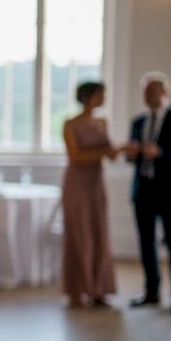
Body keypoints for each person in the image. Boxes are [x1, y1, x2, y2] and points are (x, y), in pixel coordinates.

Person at [61, 82, 119, 308]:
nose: (103, 98)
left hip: (96, 184)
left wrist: (124, 149)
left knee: (98, 232)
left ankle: (98, 289)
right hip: (76, 184)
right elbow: (75, 156)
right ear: (88, 97)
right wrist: (105, 152)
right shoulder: (70, 124)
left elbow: (111, 153)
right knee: (79, 233)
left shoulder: (102, 123)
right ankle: (77, 288)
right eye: (100, 95)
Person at [122, 71, 171, 309]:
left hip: (170, 191)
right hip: (143, 189)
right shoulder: (138, 122)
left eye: (152, 92)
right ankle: (151, 292)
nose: (147, 96)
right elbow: (130, 156)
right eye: (145, 92)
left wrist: (161, 153)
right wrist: (131, 153)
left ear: (164, 92)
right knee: (146, 242)